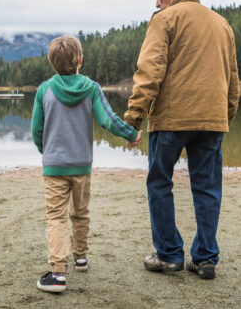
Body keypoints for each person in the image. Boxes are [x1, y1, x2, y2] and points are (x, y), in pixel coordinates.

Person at [123, 0, 239, 280]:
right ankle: (205, 258)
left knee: (159, 182)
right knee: (208, 188)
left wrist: (134, 116)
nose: (157, 0)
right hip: (212, 120)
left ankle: (169, 255)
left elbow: (150, 71)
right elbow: (232, 79)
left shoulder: (164, 19)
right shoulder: (221, 23)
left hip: (172, 118)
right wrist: (225, 115)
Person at [31, 35, 142, 292]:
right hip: (82, 165)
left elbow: (37, 130)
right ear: (80, 60)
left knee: (55, 216)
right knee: (80, 213)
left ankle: (57, 273)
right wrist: (131, 133)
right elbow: (108, 120)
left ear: (51, 63)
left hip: (54, 166)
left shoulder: (44, 90)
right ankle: (80, 257)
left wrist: (46, 152)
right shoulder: (91, 88)